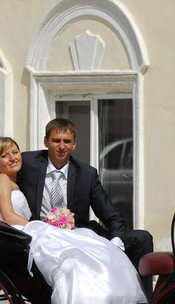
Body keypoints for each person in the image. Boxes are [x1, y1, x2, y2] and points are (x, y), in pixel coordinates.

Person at [0, 137, 148, 304]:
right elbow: (9, 217)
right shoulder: (2, 180)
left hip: (25, 229)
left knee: (88, 243)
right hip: (18, 233)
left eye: (15, 152)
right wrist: (43, 227)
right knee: (76, 251)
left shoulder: (13, 181)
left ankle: (101, 302)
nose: (12, 158)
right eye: (4, 155)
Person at [17, 118, 153, 287]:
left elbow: (111, 215)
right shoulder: (27, 163)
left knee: (142, 238)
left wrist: (116, 240)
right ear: (46, 142)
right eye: (56, 140)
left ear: (74, 144)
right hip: (41, 236)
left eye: (67, 141)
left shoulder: (86, 174)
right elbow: (0, 174)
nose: (61, 146)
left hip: (78, 235)